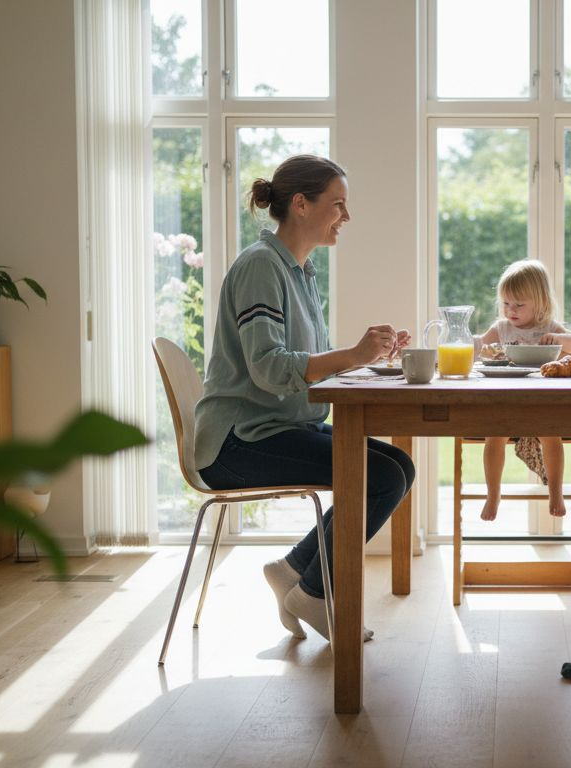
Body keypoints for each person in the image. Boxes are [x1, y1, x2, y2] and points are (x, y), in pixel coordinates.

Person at [194, 154, 414, 643]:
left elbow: (305, 364)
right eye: (338, 204)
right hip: (237, 443)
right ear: (300, 204)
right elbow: (270, 369)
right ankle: (314, 593)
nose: (346, 216)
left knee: (400, 468)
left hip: (279, 427)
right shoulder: (260, 267)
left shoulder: (300, 271)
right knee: (380, 477)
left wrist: (366, 356)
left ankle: (294, 570)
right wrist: (351, 353)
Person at [474, 259, 571, 521]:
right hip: (504, 401)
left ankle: (555, 492)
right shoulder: (501, 328)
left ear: (541, 302)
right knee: (494, 438)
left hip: (542, 402)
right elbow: (477, 347)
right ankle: (493, 494)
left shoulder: (548, 328)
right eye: (506, 304)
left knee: (551, 436)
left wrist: (558, 340)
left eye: (519, 305)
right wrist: (474, 345)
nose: (511, 310)